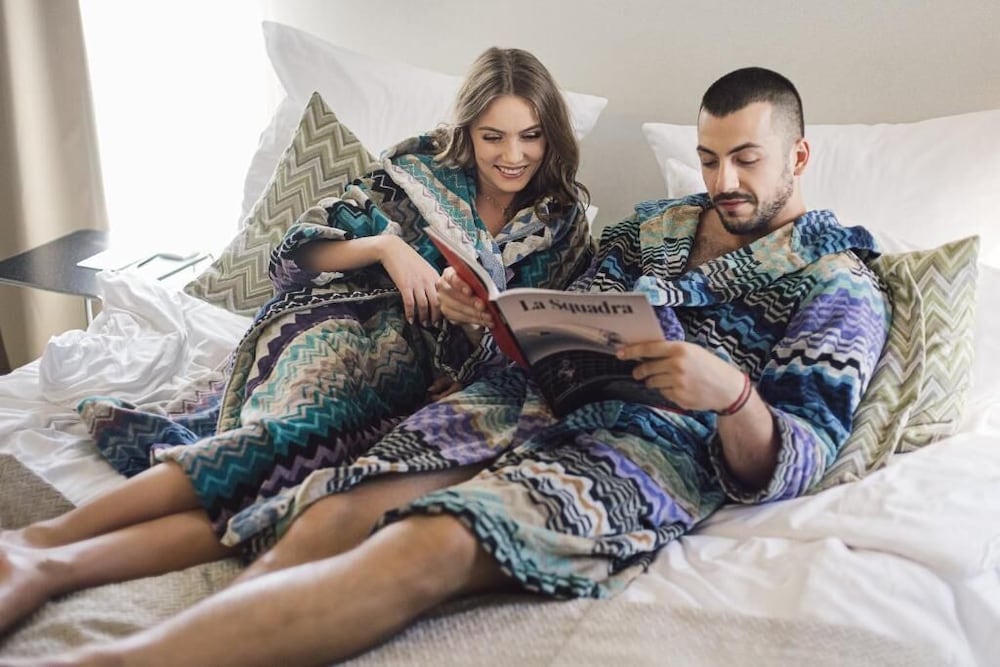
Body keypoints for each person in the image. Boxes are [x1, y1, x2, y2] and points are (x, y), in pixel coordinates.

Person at [3, 66, 891, 666]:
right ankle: (190, 628)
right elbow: (570, 310)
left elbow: (799, 449)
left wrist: (730, 393)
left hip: (639, 451)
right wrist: (506, 326)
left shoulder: (840, 284)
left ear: (798, 157)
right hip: (517, 399)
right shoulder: (651, 229)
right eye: (709, 157)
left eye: (746, 159)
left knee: (429, 543)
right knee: (332, 507)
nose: (724, 179)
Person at [0, 46, 593, 634]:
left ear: (551, 134)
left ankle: (53, 565)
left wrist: (472, 326)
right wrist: (388, 248)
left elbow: (534, 352)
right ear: (468, 131)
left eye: (530, 136)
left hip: (420, 383)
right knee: (284, 436)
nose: (512, 155)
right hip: (337, 324)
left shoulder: (562, 226)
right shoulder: (421, 170)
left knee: (300, 489)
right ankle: (42, 542)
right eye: (493, 137)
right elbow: (294, 254)